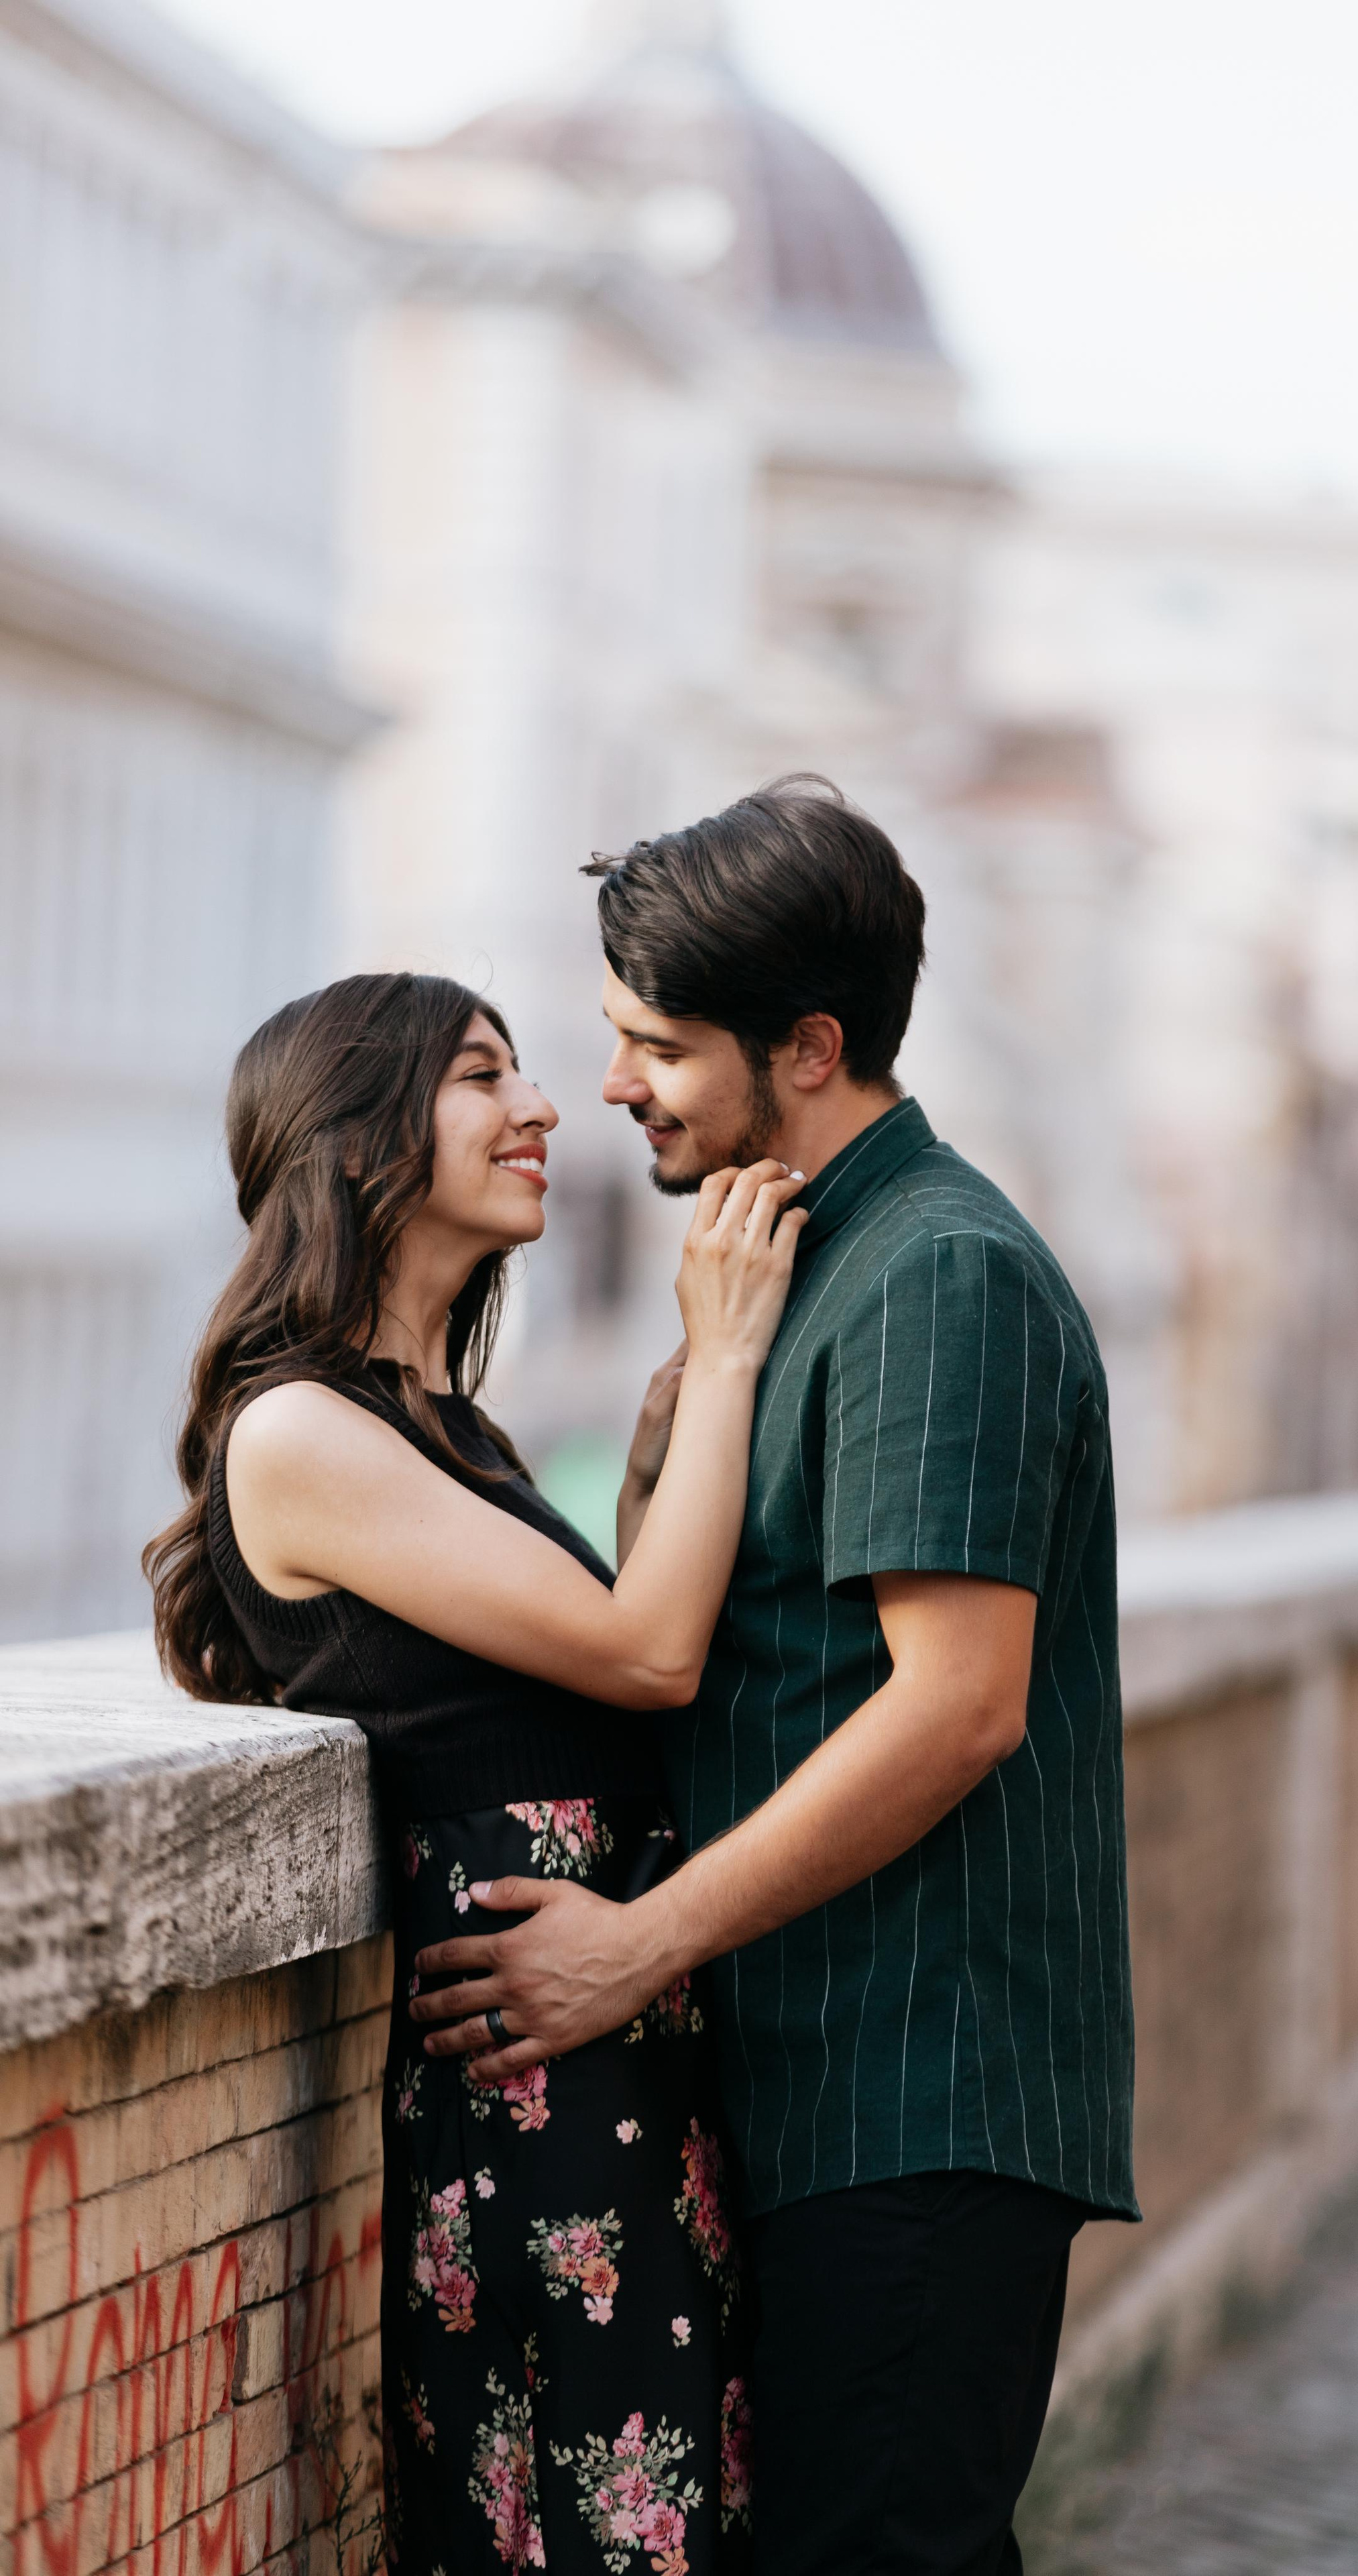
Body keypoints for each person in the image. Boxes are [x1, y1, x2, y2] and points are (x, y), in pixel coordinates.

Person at [414, 780, 1140, 2575]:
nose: (614, 1087)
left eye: (657, 1044)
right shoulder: (808, 1266)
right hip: (838, 2095)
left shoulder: (937, 1276)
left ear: (807, 1048)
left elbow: (959, 1702)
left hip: (922, 2100)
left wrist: (639, 1943)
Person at [144, 971, 806, 2574]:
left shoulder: (447, 1426)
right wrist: (721, 1362)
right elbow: (647, 1657)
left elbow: (607, 1681)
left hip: (611, 2045)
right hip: (538, 2084)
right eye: (481, 1076)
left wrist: (652, 1457)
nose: (540, 1110)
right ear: (359, 1135)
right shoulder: (299, 1431)